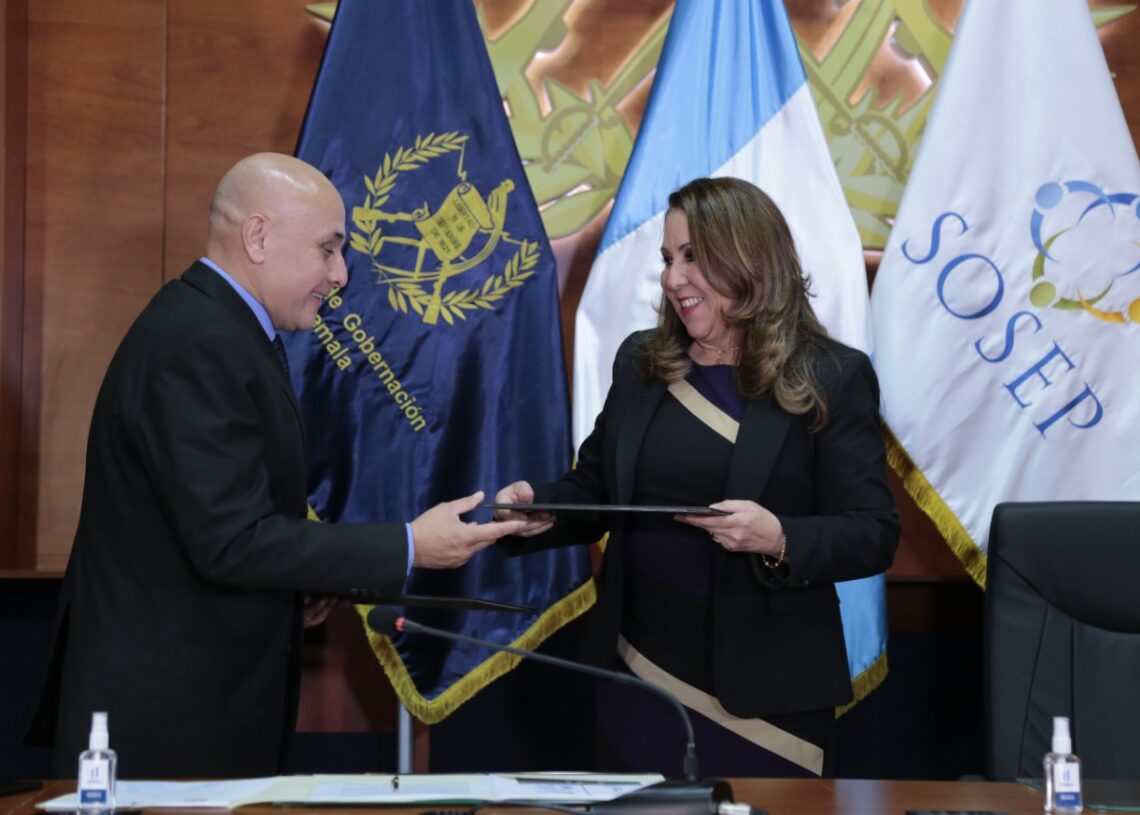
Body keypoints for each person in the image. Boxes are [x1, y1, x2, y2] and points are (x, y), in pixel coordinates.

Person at [30, 153, 525, 778]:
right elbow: (232, 541)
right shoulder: (199, 342)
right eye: (328, 249)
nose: (341, 274)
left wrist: (304, 580)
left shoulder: (222, 329)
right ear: (258, 237)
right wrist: (408, 546)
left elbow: (219, 521)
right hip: (167, 728)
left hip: (198, 711)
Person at [495, 177, 899, 778]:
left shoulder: (830, 375)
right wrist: (541, 508)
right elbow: (599, 488)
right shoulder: (643, 362)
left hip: (766, 697)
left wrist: (778, 538)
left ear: (748, 259)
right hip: (639, 676)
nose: (672, 278)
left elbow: (872, 531)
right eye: (667, 259)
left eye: (692, 257)